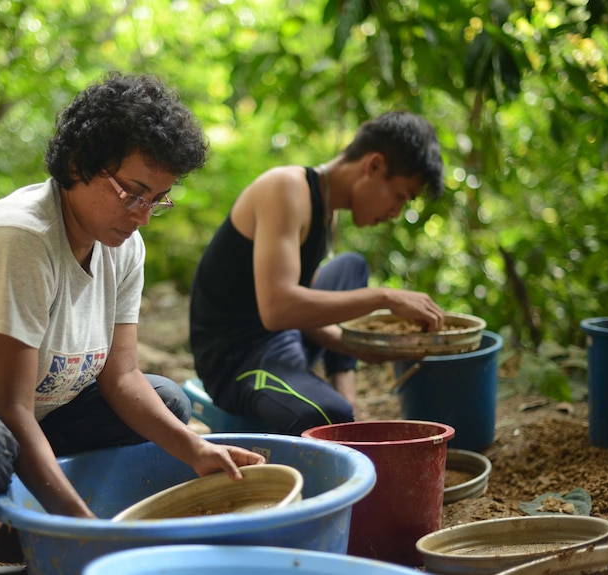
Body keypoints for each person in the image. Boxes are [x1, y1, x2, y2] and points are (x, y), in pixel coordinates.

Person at [0, 72, 265, 575]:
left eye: (157, 199)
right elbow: (10, 408)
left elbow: (122, 379)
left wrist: (195, 449)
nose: (143, 215)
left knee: (168, 401)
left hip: (7, 423)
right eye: (134, 192)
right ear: (79, 163)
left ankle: (18, 539)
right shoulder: (19, 239)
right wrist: (84, 531)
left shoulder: (122, 247)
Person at [189, 110, 446, 435]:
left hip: (284, 339)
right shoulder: (284, 188)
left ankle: (345, 396)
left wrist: (360, 346)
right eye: (400, 196)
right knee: (330, 418)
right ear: (374, 165)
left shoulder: (327, 212)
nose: (396, 212)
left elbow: (303, 314)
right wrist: (386, 297)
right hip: (238, 360)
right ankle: (339, 410)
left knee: (350, 267)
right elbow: (278, 310)